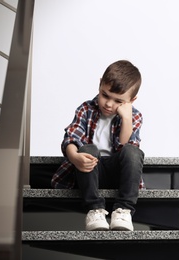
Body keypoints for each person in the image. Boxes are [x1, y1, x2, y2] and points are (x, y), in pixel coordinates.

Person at [51, 60, 145, 231]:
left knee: (133, 152)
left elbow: (126, 145)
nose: (109, 104)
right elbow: (71, 138)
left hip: (119, 174)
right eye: (105, 95)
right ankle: (94, 210)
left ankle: (123, 211)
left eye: (118, 101)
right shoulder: (86, 109)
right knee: (88, 148)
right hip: (90, 170)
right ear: (100, 84)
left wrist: (126, 118)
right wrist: (74, 157)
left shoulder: (134, 117)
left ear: (131, 100)